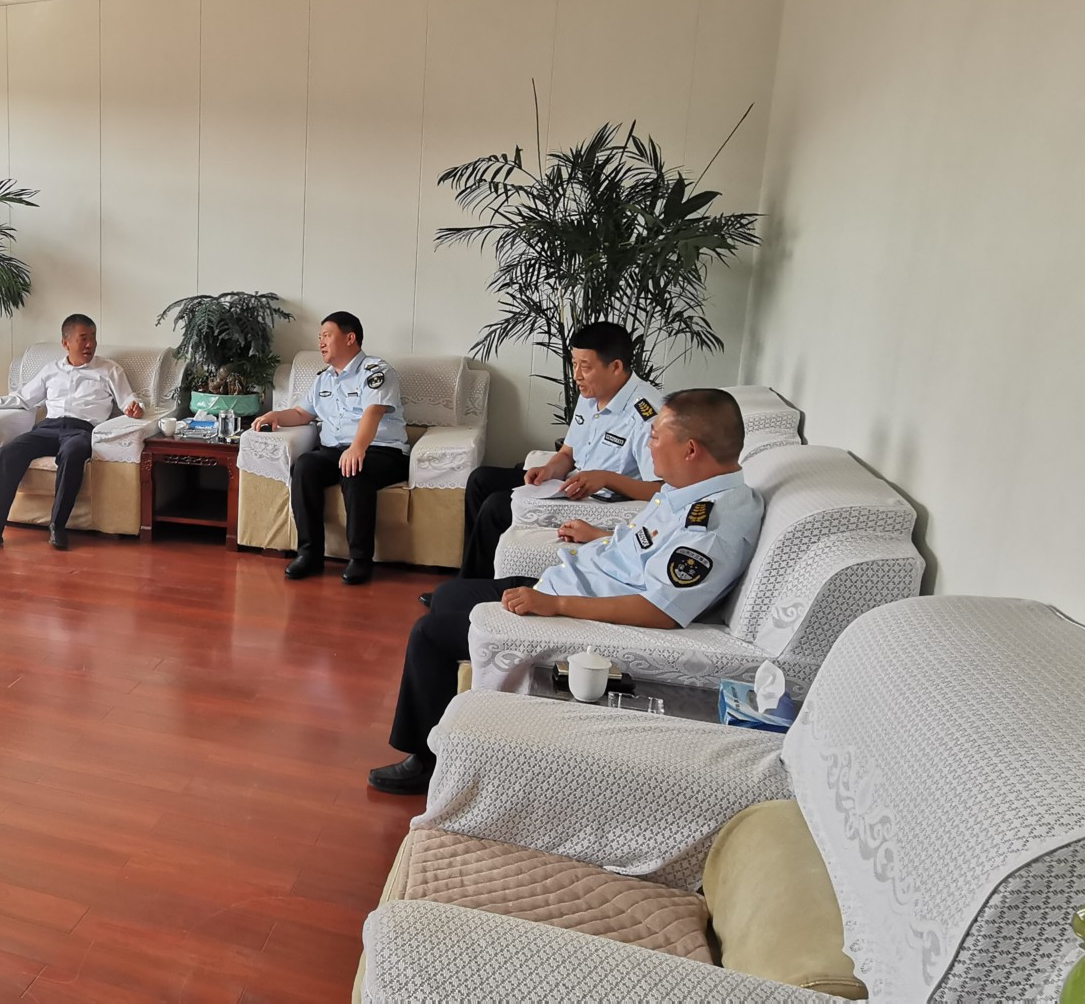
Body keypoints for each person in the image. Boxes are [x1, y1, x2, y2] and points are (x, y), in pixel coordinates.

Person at [367, 388, 762, 796]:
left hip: (579, 608)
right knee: (449, 596)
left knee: (429, 635)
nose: (649, 444)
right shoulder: (692, 490)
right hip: (575, 582)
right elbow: (649, 548)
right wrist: (600, 536)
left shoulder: (711, 524)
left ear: (691, 449)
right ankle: (457, 717)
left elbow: (659, 610)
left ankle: (428, 761)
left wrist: (555, 604)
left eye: (657, 437)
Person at [456, 321, 665, 584]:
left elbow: (662, 490)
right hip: (572, 485)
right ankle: (471, 578)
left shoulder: (648, 415)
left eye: (585, 367)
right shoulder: (591, 393)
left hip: (603, 501)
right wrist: (549, 470)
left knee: (497, 506)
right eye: (574, 364)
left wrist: (606, 479)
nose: (576, 375)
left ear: (615, 367)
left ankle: (474, 587)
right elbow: (567, 453)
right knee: (481, 480)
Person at [248, 311, 410, 586]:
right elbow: (302, 413)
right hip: (336, 450)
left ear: (350, 338)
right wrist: (275, 415)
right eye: (319, 337)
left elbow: (373, 412)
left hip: (381, 450)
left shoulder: (376, 371)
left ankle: (360, 559)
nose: (321, 342)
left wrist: (357, 448)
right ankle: (309, 553)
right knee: (305, 466)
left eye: (327, 335)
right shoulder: (324, 379)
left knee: (355, 470)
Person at [0, 314, 145, 553]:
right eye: (83, 338)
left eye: (93, 338)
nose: (90, 344)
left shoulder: (109, 370)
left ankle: (57, 525)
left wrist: (135, 406)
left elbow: (128, 399)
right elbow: (22, 399)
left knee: (73, 453)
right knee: (7, 453)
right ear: (66, 343)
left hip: (81, 431)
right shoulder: (50, 371)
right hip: (48, 428)